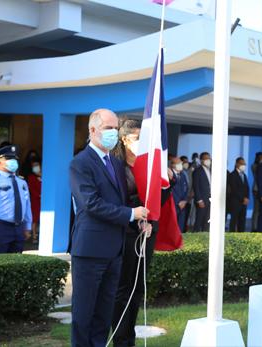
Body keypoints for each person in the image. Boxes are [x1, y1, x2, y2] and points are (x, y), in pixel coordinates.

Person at [69, 109, 148, 347]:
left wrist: (139, 219)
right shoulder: (80, 163)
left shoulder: (114, 162)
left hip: (115, 251)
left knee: (104, 315)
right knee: (84, 315)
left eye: (115, 128)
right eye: (108, 128)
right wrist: (129, 214)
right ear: (93, 130)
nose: (113, 133)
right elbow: (91, 204)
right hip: (90, 251)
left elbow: (121, 201)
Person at [110, 119, 169, 347]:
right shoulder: (116, 166)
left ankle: (129, 338)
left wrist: (167, 184)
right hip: (125, 232)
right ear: (124, 139)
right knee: (123, 289)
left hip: (146, 232)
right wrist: (137, 216)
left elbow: (156, 198)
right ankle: (121, 339)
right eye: (136, 139)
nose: (140, 144)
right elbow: (119, 200)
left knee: (137, 288)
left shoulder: (148, 164)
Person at [0, 145, 32, 254]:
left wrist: (27, 226)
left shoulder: (22, 182)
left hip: (19, 228)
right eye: (9, 159)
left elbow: (27, 205)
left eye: (14, 159)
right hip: (0, 228)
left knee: (16, 264)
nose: (13, 162)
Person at [227, 157, 249, 232]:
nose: (244, 165)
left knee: (242, 221)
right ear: (237, 164)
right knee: (234, 221)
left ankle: (241, 236)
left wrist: (247, 198)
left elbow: (247, 188)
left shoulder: (244, 175)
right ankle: (232, 238)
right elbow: (234, 189)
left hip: (244, 203)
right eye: (242, 164)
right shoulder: (232, 175)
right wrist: (243, 198)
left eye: (244, 164)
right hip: (235, 202)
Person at [193, 152, 211, 232]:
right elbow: (196, 187)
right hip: (202, 200)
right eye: (206, 158)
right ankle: (195, 237)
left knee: (207, 221)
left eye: (209, 158)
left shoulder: (211, 170)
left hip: (209, 199)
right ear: (201, 160)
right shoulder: (197, 171)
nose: (208, 160)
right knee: (199, 220)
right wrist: (199, 200)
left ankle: (204, 236)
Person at [171, 156, 190, 232]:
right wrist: (178, 202)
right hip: (173, 204)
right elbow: (170, 190)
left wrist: (184, 201)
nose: (181, 165)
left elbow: (186, 188)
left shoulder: (183, 175)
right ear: (173, 165)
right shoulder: (169, 174)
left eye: (181, 163)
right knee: (172, 225)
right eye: (178, 163)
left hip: (182, 205)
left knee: (180, 226)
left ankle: (179, 241)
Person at [27, 160, 42, 244]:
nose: (36, 167)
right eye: (34, 166)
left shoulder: (45, 174)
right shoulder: (31, 177)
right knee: (35, 218)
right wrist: (38, 195)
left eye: (37, 165)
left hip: (45, 200)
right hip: (35, 200)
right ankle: (34, 235)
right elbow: (31, 189)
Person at [251, 152, 262, 232]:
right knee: (256, 209)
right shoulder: (254, 166)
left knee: (261, 210)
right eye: (261, 157)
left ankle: (259, 226)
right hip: (256, 189)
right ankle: (254, 227)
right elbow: (257, 171)